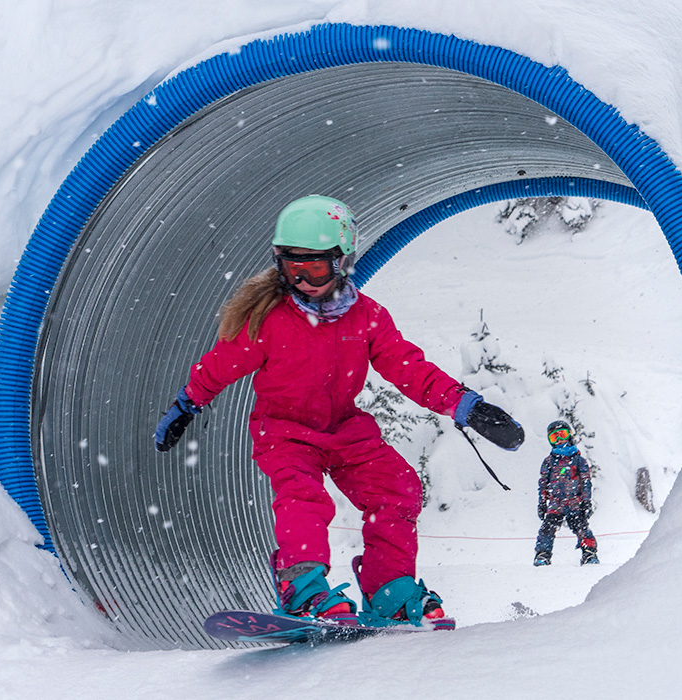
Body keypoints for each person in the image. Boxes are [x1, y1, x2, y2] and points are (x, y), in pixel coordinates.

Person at [154, 194, 524, 629]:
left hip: (345, 430)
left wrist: (467, 406)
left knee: (398, 488)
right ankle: (302, 586)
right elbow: (220, 364)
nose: (304, 279)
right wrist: (186, 404)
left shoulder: (366, 317)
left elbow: (409, 368)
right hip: (285, 432)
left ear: (342, 261)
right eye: (292, 266)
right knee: (303, 495)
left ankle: (389, 590)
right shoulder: (269, 319)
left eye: (316, 266)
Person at [534, 420, 599, 566]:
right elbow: (543, 483)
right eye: (554, 437)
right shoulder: (549, 462)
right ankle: (543, 554)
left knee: (581, 527)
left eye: (562, 435)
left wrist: (586, 501)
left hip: (575, 502)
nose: (558, 440)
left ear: (569, 436)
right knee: (547, 528)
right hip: (556, 503)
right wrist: (542, 503)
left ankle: (589, 553)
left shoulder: (578, 460)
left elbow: (586, 483)